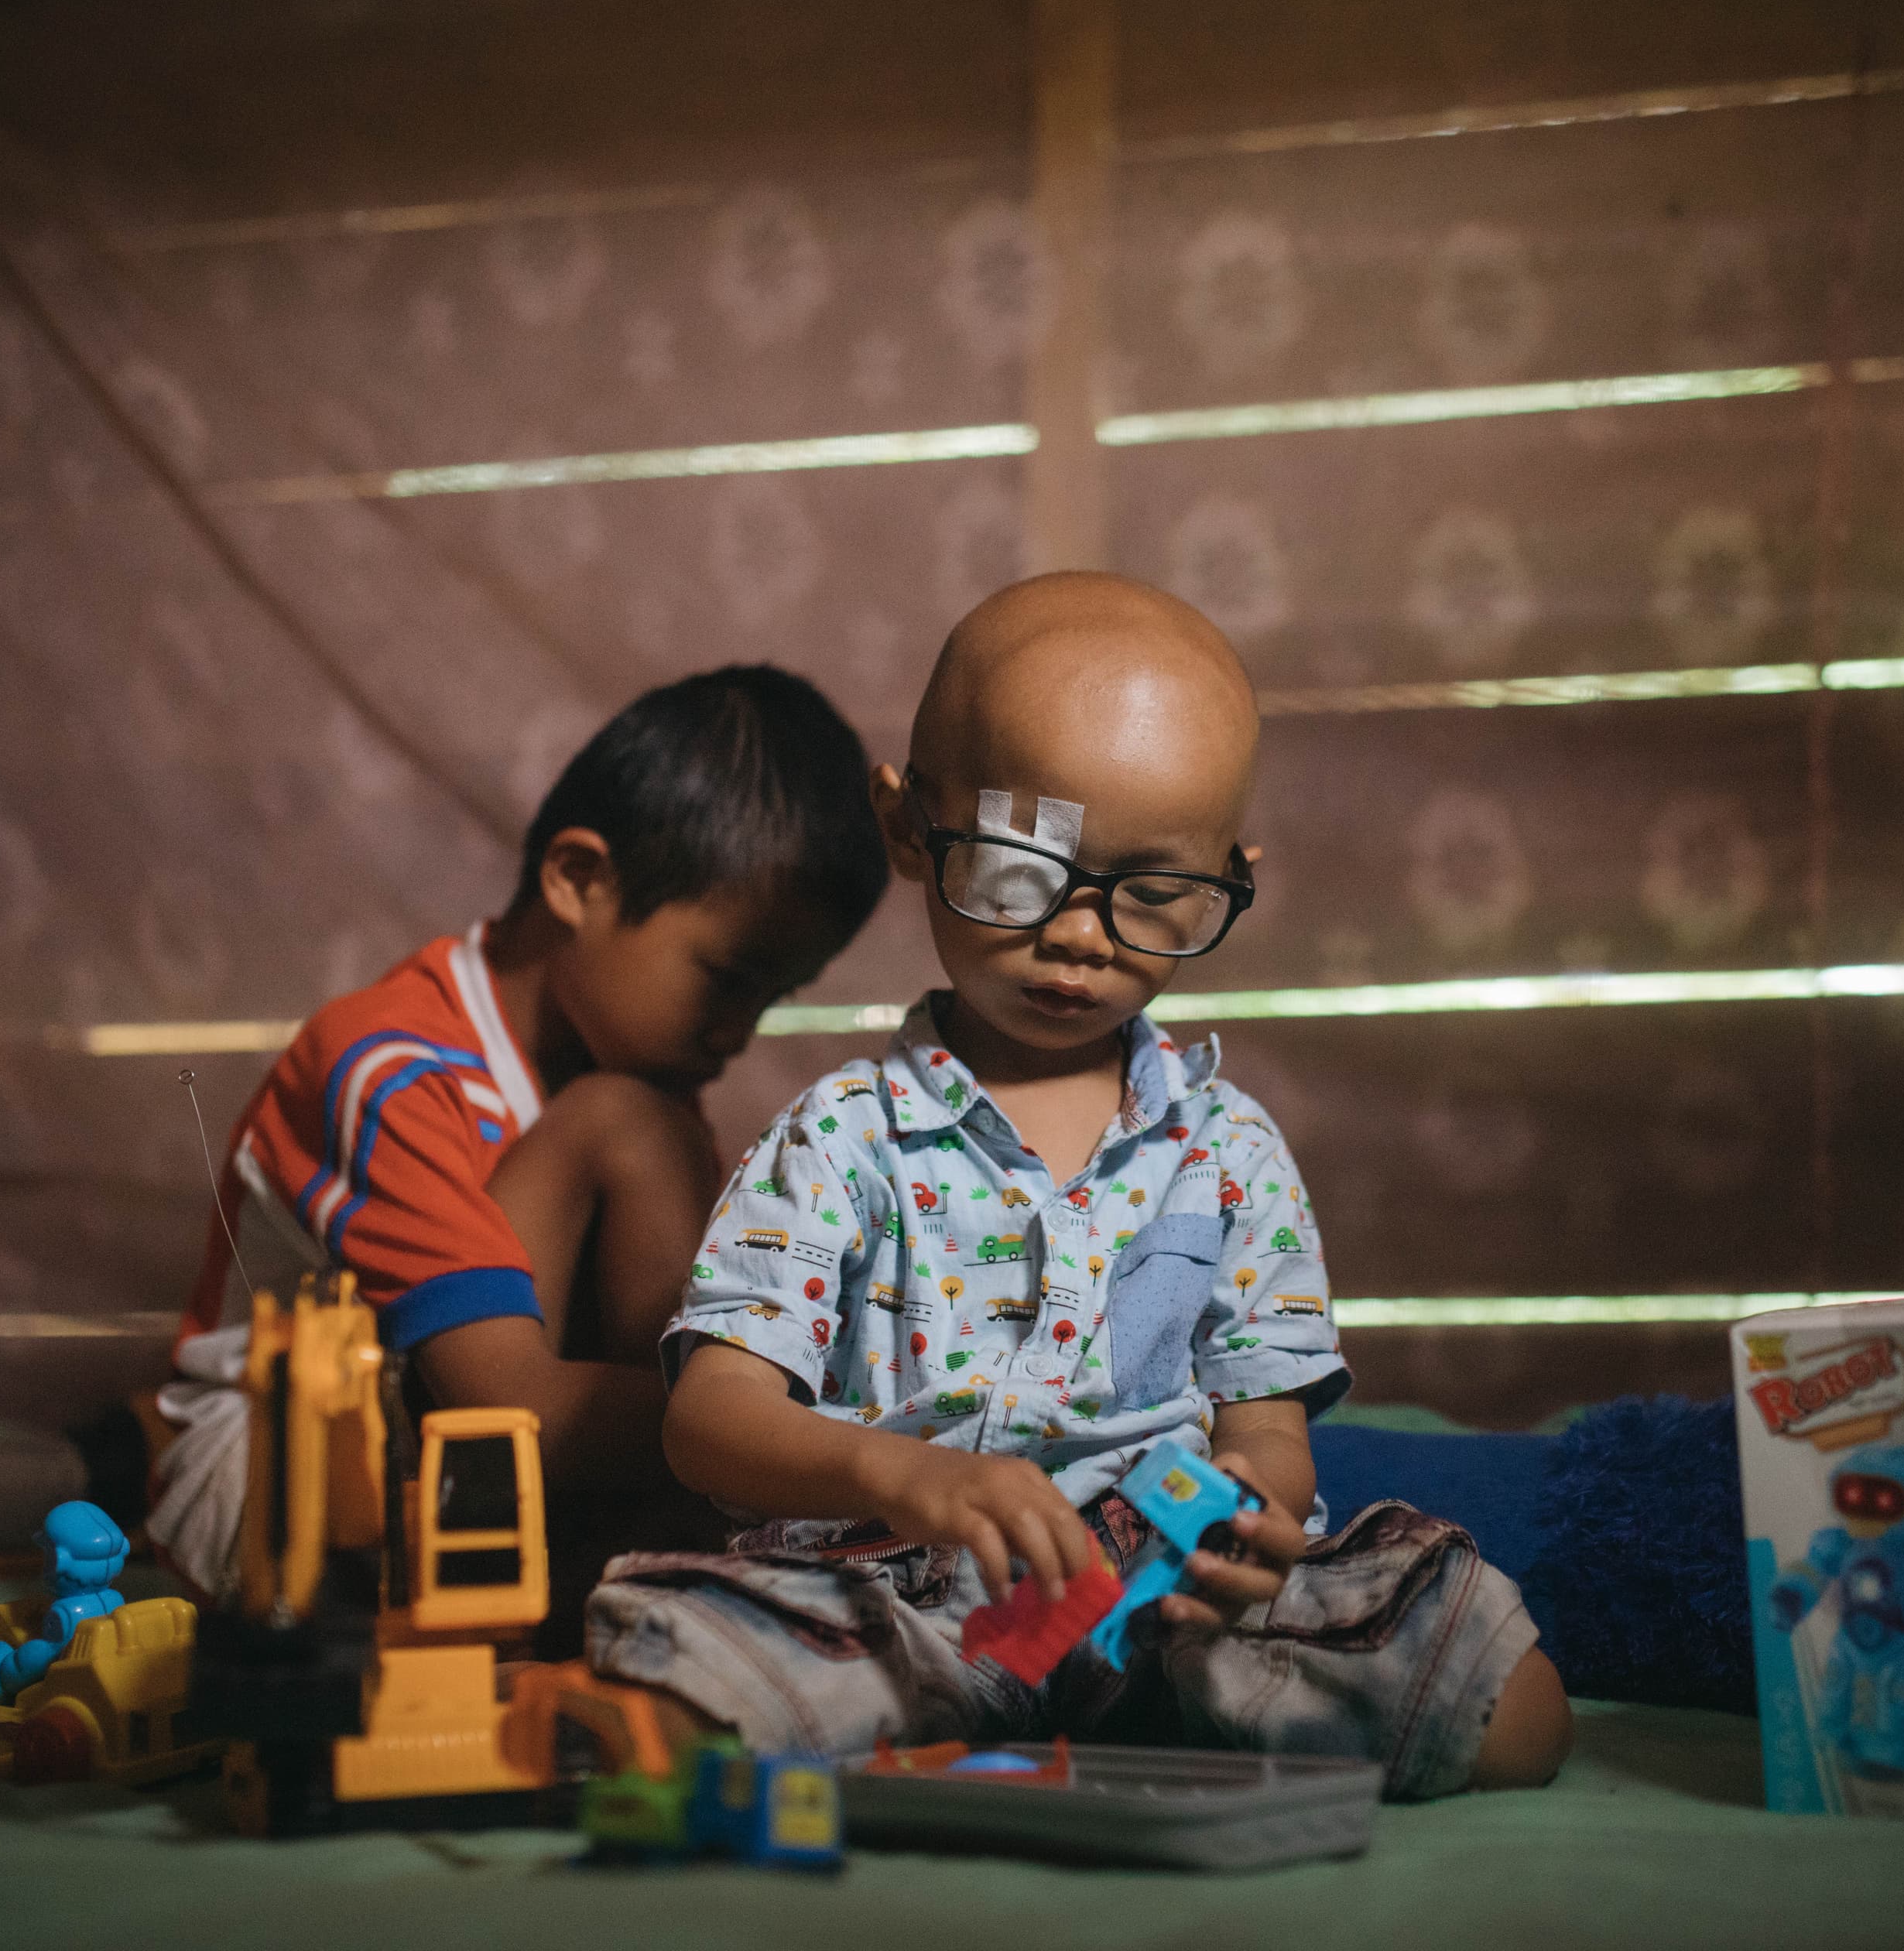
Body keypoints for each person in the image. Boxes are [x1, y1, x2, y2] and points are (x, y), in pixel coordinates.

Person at [587, 575, 1572, 1799]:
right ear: (909, 827)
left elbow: (1266, 1426)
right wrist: (909, 1477)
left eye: (1155, 896)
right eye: (1019, 870)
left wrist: (1252, 1512)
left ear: (1228, 877)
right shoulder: (841, 1137)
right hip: (902, 1588)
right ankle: (989, 1707)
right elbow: (711, 1420)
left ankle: (1151, 1699)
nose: (1082, 935)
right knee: (663, 1698)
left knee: (1509, 1705)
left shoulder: (1229, 1149)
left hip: (1162, 1594)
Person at [144, 666, 886, 1600]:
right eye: (728, 979)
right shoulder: (386, 1064)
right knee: (629, 1130)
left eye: (773, 997)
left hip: (454, 1470)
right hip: (269, 1486)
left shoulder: (651, 1080)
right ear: (580, 880)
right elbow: (508, 1403)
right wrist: (811, 1427)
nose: (737, 1033)